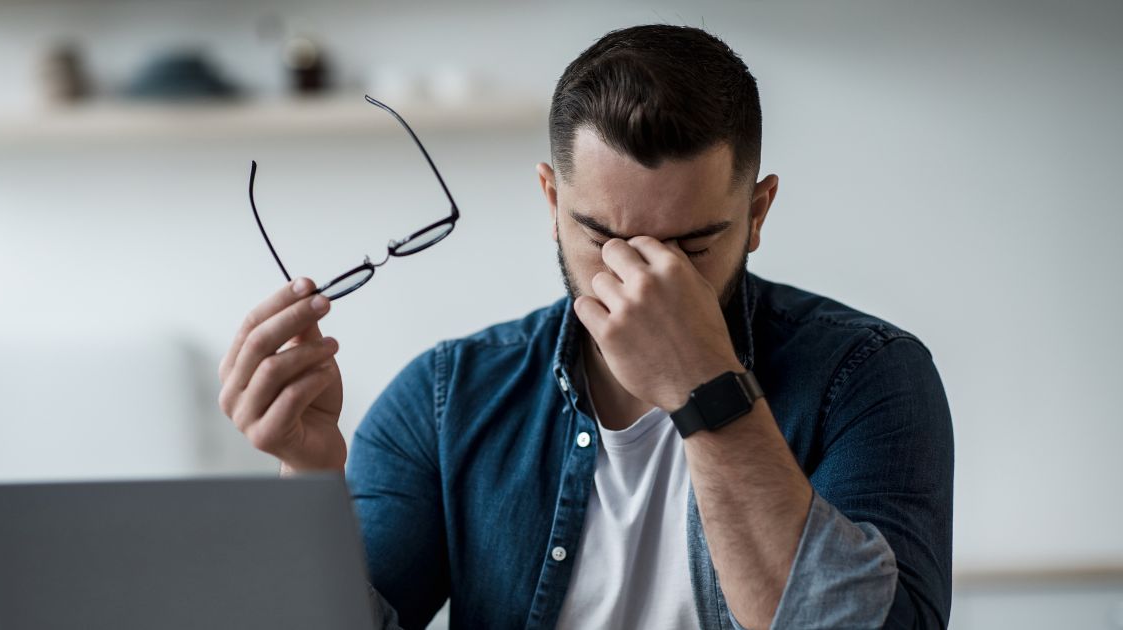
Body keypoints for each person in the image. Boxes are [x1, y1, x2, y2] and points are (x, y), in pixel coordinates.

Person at [217, 24, 953, 630]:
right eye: (603, 236)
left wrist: (707, 389)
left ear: (756, 213)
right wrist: (308, 480)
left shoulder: (868, 376)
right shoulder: (447, 399)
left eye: (690, 247)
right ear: (550, 199)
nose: (643, 279)